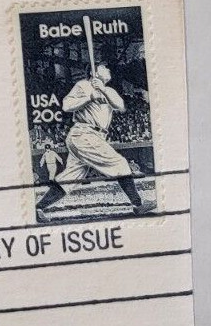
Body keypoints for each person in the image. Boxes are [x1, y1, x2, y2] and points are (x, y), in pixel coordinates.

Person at [36, 64, 155, 220]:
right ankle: (138, 205)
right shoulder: (83, 85)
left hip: (94, 136)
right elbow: (66, 106)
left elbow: (120, 106)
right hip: (84, 132)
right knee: (120, 163)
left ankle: (38, 208)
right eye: (104, 68)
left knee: (70, 177)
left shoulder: (109, 90)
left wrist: (102, 90)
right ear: (94, 72)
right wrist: (89, 97)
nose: (108, 70)